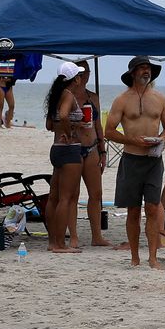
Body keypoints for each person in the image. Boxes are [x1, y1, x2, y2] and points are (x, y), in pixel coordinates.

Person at [105, 56, 165, 269]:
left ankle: (153, 257)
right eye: (142, 68)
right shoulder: (121, 100)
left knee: (153, 207)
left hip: (153, 161)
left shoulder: (159, 98)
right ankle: (135, 256)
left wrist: (163, 137)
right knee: (133, 210)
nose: (146, 72)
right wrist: (132, 140)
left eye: (148, 68)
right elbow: (108, 131)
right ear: (132, 73)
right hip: (131, 159)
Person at [45, 62, 88, 254]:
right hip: (70, 149)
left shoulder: (55, 96)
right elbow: (63, 116)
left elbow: (49, 124)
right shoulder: (69, 95)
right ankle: (60, 244)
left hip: (56, 148)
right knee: (66, 198)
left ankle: (52, 241)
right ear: (75, 79)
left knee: (53, 197)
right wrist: (71, 130)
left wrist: (66, 127)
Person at [67, 59, 109, 248]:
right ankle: (74, 236)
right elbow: (55, 123)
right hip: (73, 148)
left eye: (87, 72)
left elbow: (98, 125)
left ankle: (96, 236)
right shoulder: (66, 96)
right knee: (72, 194)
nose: (85, 76)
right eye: (81, 72)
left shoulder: (93, 97)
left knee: (96, 194)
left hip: (92, 147)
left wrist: (102, 150)